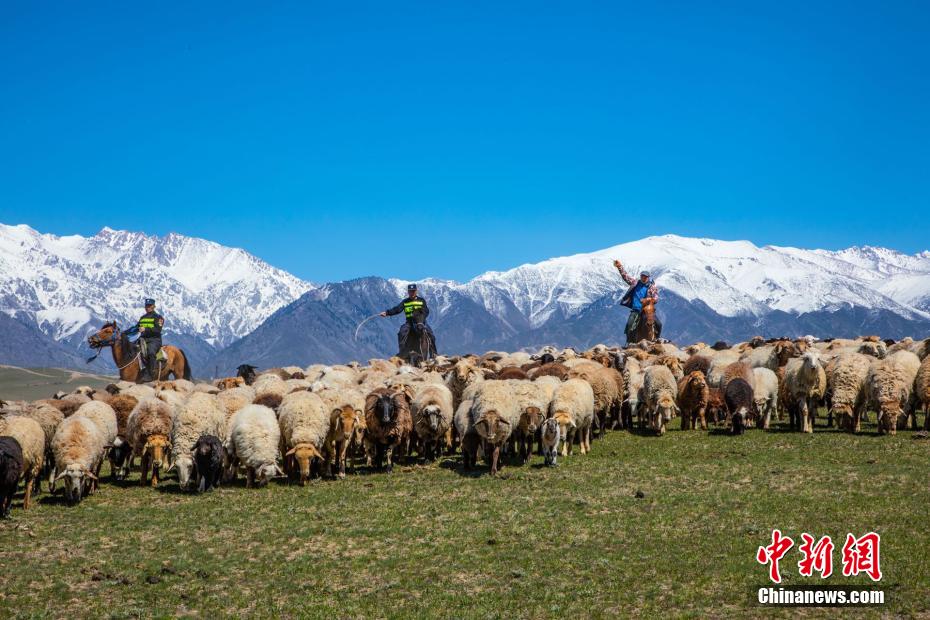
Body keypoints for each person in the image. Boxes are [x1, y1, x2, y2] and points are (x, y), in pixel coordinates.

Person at [380, 284, 436, 360]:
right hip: (409, 322)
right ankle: (402, 351)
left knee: (431, 334)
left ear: (416, 291)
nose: (412, 293)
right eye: (410, 291)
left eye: (413, 291)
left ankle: (433, 354)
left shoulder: (421, 300)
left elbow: (426, 311)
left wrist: (422, 319)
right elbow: (397, 309)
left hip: (421, 322)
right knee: (402, 332)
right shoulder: (405, 302)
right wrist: (387, 313)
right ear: (408, 292)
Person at [614, 259, 662, 343]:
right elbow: (626, 277)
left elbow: (656, 297)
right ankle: (629, 342)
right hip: (636, 310)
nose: (644, 277)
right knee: (629, 325)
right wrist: (619, 267)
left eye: (645, 276)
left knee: (658, 324)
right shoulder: (635, 283)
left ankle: (657, 339)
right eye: (642, 276)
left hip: (646, 311)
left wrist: (649, 299)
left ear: (648, 277)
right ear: (640, 276)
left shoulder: (652, 287)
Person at [136, 298, 164, 381]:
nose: (147, 307)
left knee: (151, 352)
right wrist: (124, 334)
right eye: (146, 306)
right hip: (143, 339)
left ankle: (151, 374)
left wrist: (146, 329)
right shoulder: (142, 318)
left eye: (149, 306)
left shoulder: (158, 318)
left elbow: (157, 330)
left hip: (154, 340)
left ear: (153, 306)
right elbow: (136, 328)